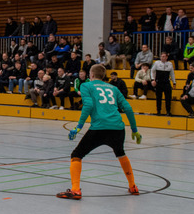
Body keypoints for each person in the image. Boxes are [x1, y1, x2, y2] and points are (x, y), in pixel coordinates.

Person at [57, 64, 141, 199]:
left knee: (76, 155)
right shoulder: (114, 88)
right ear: (103, 76)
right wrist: (134, 130)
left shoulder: (86, 86)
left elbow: (88, 105)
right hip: (117, 128)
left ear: (91, 75)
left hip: (99, 128)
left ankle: (75, 190)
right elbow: (128, 109)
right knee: (121, 153)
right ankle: (133, 186)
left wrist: (78, 127)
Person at [152, 51, 175, 116]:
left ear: (167, 57)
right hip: (159, 82)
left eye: (164, 56)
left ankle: (168, 111)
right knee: (158, 98)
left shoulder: (170, 64)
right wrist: (153, 79)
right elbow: (152, 71)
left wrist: (174, 82)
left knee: (168, 98)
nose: (162, 58)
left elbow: (172, 74)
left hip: (166, 82)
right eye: (161, 56)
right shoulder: (156, 63)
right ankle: (158, 111)